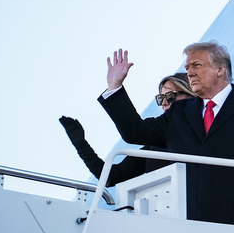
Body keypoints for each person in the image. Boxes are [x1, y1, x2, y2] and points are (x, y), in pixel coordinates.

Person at [99, 42, 234, 231]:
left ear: (220, 69)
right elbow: (136, 132)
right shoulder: (178, 113)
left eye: (196, 65)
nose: (190, 72)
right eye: (187, 67)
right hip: (189, 224)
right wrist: (115, 86)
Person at [59, 73, 197, 186]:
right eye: (161, 99)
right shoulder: (156, 142)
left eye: (170, 97)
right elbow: (110, 177)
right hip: (167, 212)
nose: (164, 102)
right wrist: (80, 144)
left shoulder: (210, 126)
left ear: (192, 94)